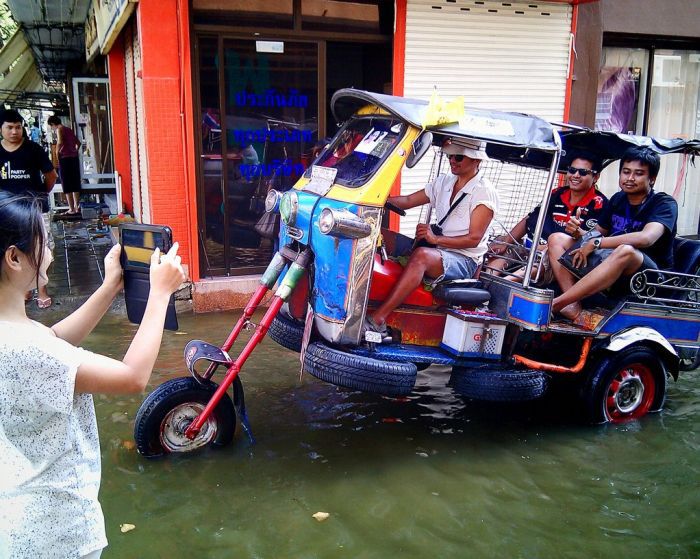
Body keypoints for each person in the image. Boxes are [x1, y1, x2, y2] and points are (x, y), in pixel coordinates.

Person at [0, 193, 186, 558]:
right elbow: (132, 377)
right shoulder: (26, 350)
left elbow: (54, 339)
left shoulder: (15, 334)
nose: (51, 250)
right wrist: (160, 293)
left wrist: (110, 286)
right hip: (56, 532)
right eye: (45, 239)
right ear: (14, 257)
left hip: (21, 516)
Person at [365, 138, 498, 335]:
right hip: (438, 249)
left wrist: (436, 240)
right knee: (380, 234)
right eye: (450, 156)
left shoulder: (484, 192)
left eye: (459, 157)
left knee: (422, 256)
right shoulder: (444, 181)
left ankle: (379, 318)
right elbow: (408, 200)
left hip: (464, 260)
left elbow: (474, 239)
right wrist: (374, 199)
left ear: (476, 161)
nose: (453, 160)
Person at [547, 146, 678, 327]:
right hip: (611, 263)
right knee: (556, 238)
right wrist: (580, 233)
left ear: (652, 179)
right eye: (626, 172)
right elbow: (597, 233)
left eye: (638, 174)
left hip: (650, 277)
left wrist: (597, 242)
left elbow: (647, 238)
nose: (630, 178)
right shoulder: (618, 199)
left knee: (626, 250)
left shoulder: (664, 203)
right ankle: (572, 306)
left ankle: (557, 304)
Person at [488, 151, 608, 283]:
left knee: (544, 259)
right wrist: (506, 241)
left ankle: (504, 284)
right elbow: (530, 219)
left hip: (559, 257)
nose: (575, 175)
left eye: (583, 172)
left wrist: (547, 247)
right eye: (572, 170)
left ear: (596, 177)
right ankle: (487, 282)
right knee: (500, 248)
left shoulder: (599, 205)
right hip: (532, 247)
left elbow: (590, 242)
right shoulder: (557, 194)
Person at [0, 109, 58, 309]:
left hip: (35, 209)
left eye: (18, 127)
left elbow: (51, 176)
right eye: (10, 127)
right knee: (12, 250)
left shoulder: (33, 149)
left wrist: (40, 195)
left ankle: (41, 289)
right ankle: (22, 287)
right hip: (7, 212)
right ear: (1, 129)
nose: (14, 131)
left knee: (41, 248)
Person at [47, 115, 82, 215]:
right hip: (74, 158)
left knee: (66, 184)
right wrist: (74, 151)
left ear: (53, 124)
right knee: (75, 183)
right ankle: (77, 207)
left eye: (51, 126)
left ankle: (71, 209)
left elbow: (60, 142)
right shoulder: (68, 129)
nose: (52, 129)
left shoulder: (59, 129)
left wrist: (57, 154)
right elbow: (78, 143)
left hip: (65, 159)